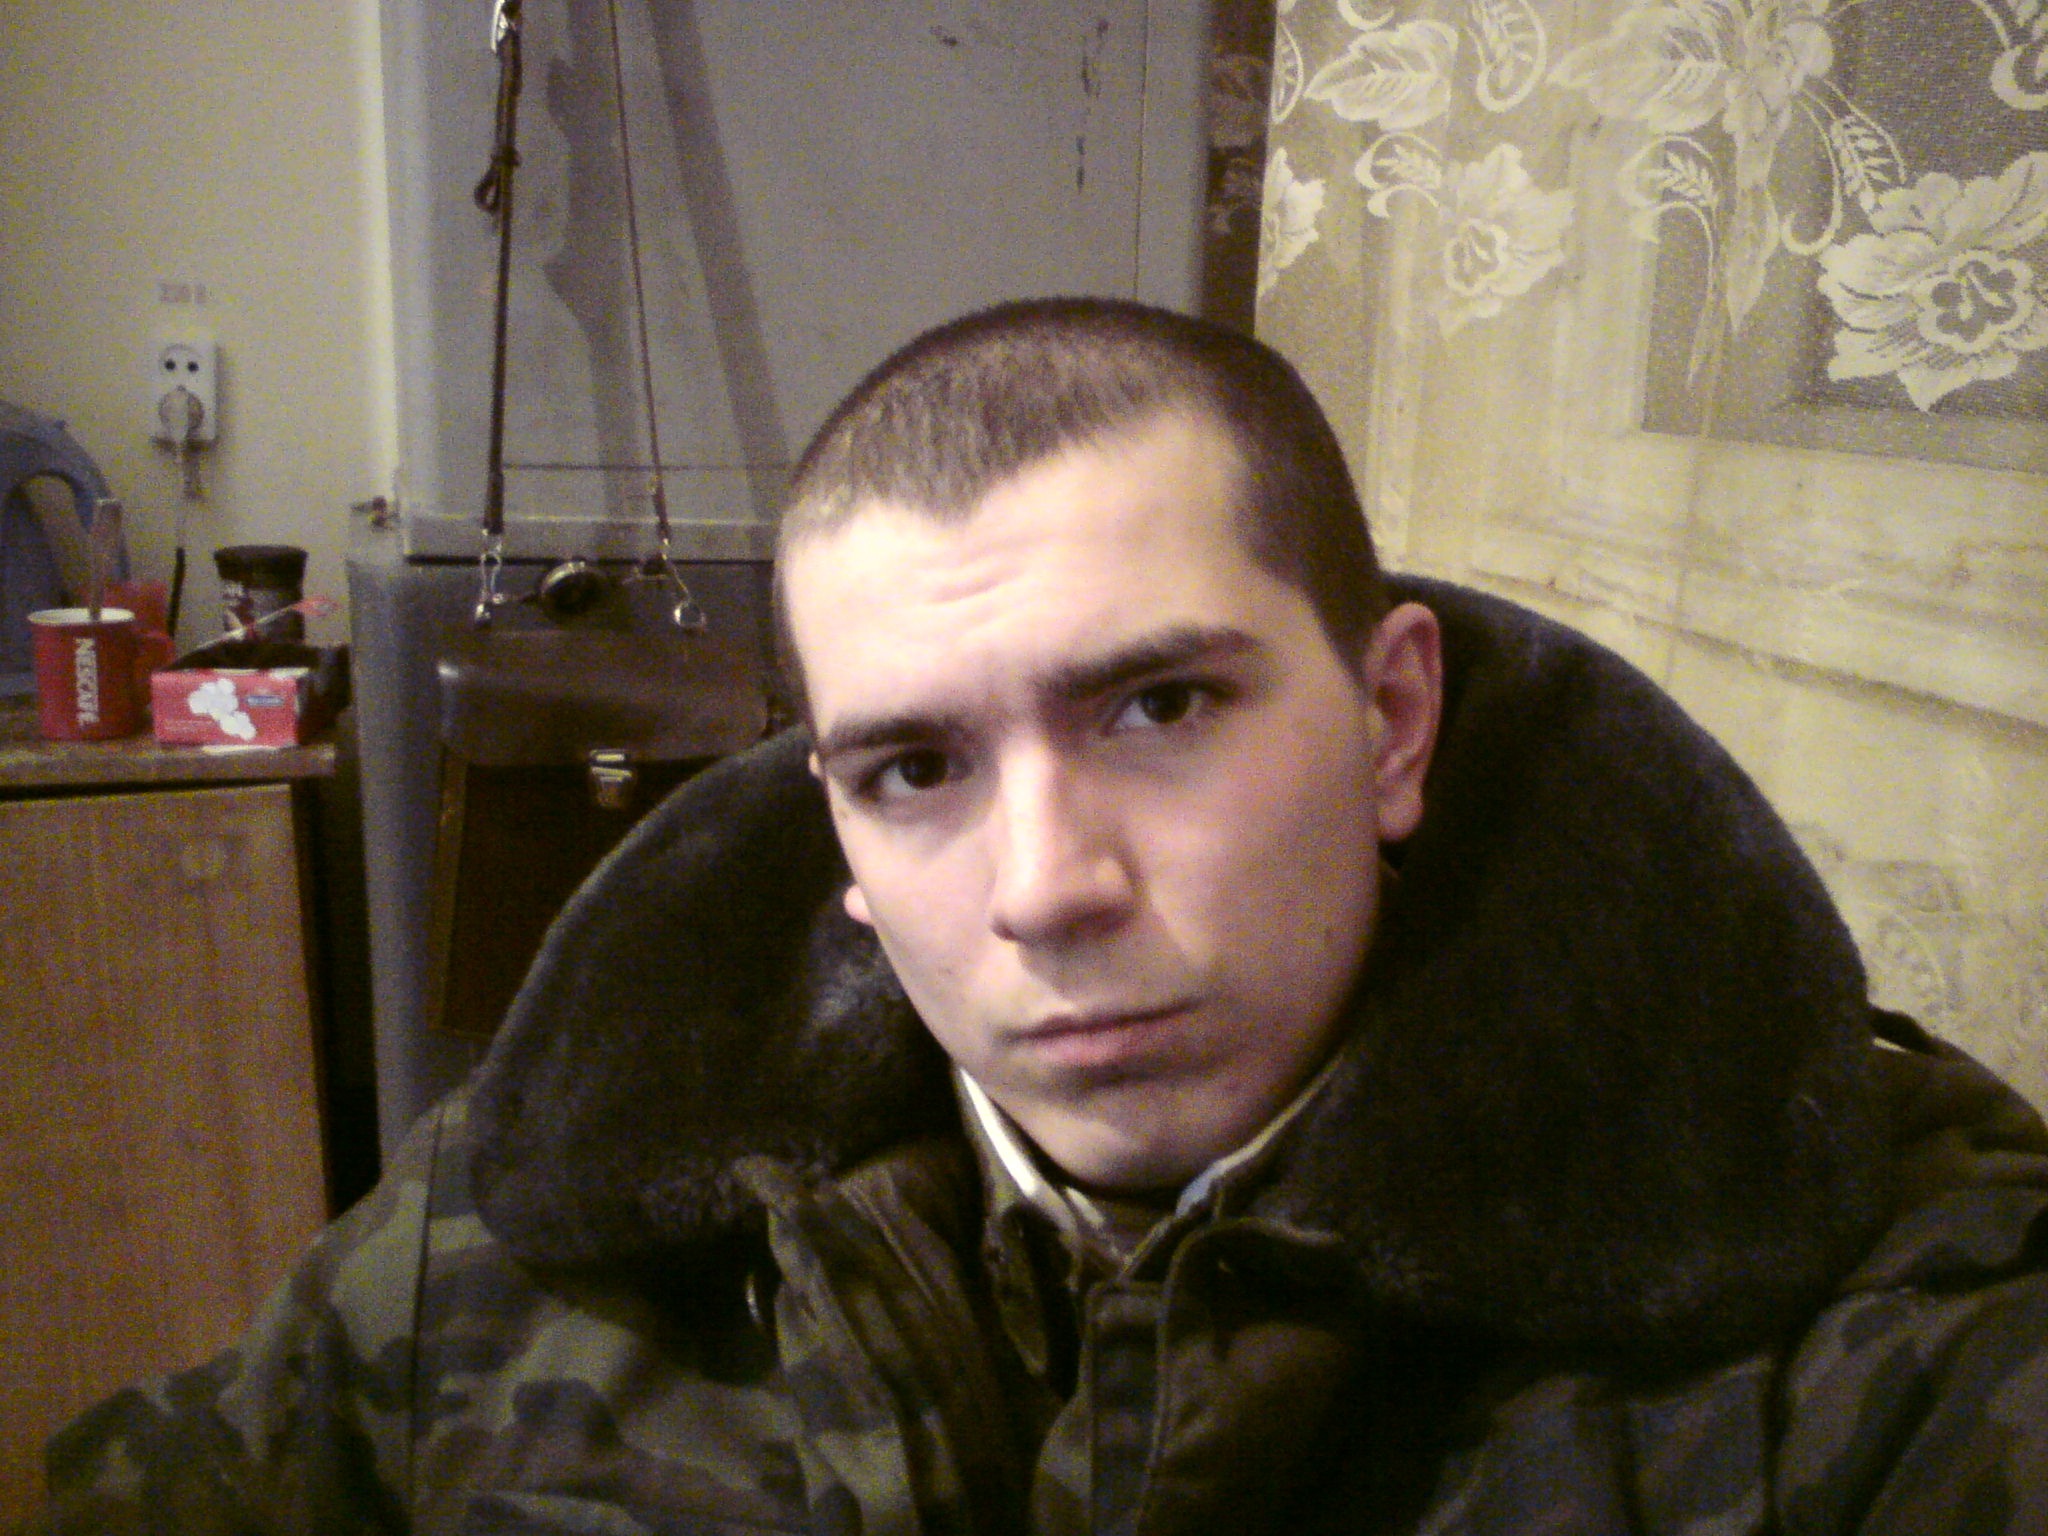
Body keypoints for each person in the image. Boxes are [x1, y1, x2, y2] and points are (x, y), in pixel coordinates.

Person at [28, 300, 2048, 1534]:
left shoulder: (1862, 1295)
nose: (1046, 889)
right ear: (829, 819)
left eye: (1160, 709)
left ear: (1393, 721)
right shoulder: (509, 1238)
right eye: (914, 768)